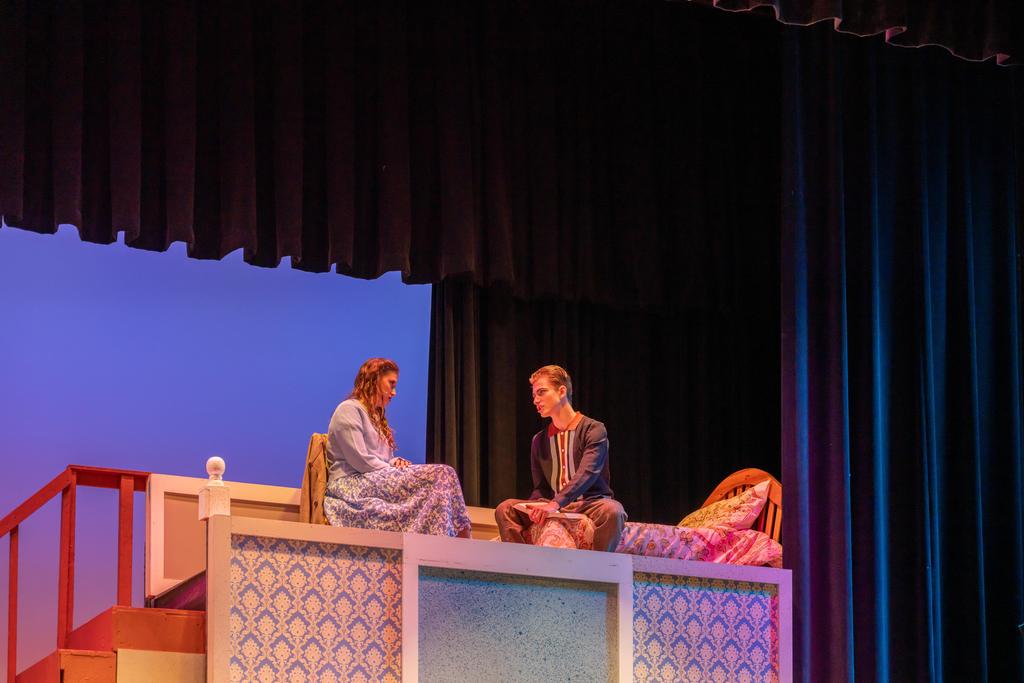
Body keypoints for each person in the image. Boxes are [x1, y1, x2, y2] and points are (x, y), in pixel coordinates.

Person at [323, 358, 472, 538]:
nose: (394, 393)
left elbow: (381, 458)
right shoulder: (348, 409)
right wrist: (393, 469)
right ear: (374, 379)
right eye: (391, 384)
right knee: (442, 473)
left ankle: (458, 540)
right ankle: (455, 541)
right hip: (350, 484)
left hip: (370, 478)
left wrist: (394, 462)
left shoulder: (376, 417)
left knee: (446, 476)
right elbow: (360, 461)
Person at [495, 365, 626, 551]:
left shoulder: (593, 429)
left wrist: (555, 503)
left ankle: (599, 566)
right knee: (505, 509)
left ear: (562, 391)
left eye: (541, 392)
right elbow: (541, 488)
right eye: (534, 395)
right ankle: (521, 564)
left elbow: (588, 472)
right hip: (552, 504)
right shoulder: (539, 440)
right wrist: (534, 508)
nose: (535, 400)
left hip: (588, 503)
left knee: (614, 511)